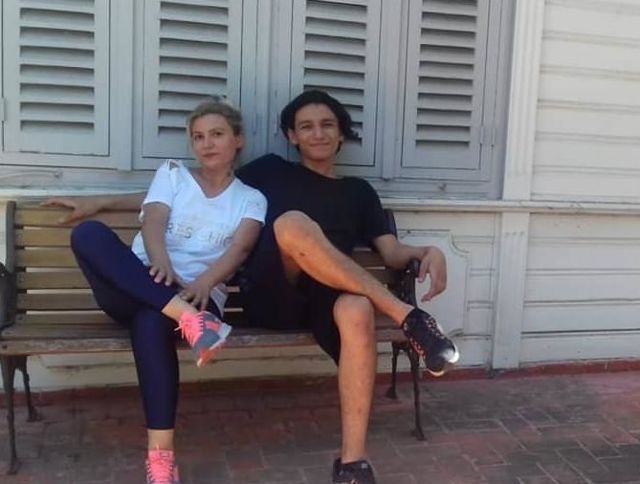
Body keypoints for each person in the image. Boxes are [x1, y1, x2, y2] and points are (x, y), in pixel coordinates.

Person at [45, 90, 459, 484]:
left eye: (327, 125)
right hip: (271, 290)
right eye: (306, 126)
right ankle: (409, 318)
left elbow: (391, 252)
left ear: (341, 134)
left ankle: (352, 464)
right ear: (291, 136)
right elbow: (190, 192)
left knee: (356, 308)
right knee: (289, 223)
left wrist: (427, 250)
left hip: (324, 295)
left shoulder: (357, 192)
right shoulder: (268, 173)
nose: (317, 133)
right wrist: (100, 202)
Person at [45, 97, 267, 484]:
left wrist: (204, 283)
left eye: (217, 134)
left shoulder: (251, 198)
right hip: (142, 284)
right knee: (88, 234)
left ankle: (160, 460)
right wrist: (161, 263)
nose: (207, 143)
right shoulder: (172, 173)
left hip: (200, 296)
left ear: (238, 140)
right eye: (198, 137)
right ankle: (187, 319)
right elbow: (154, 219)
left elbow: (240, 248)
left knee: (151, 321)